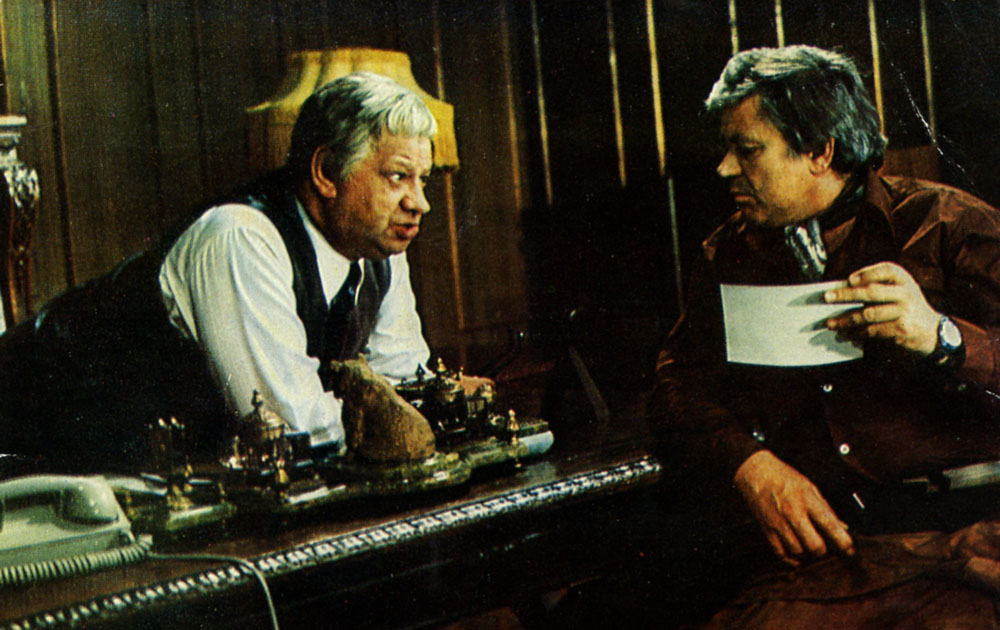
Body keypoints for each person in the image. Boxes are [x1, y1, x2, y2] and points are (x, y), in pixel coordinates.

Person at [648, 45, 1000, 627]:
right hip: (832, 561)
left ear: (820, 151)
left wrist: (943, 338)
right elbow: (675, 387)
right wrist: (750, 466)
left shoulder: (947, 224)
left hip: (968, 539)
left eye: (747, 150)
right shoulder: (728, 254)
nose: (725, 169)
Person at [0, 72, 484, 472]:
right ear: (325, 173)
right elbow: (290, 427)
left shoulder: (377, 246)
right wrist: (418, 411)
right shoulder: (240, 237)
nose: (419, 203)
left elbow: (402, 380)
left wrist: (424, 404)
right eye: (398, 177)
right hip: (29, 442)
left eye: (422, 180)